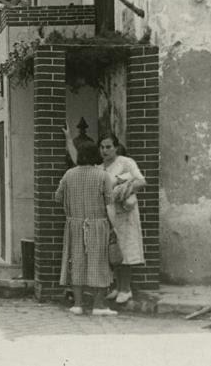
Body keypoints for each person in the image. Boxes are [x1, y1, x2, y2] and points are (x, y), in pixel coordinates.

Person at [55, 143, 118, 316]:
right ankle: (98, 305)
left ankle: (78, 304)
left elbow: (57, 196)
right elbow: (109, 204)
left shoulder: (69, 174)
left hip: (74, 225)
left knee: (77, 262)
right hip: (98, 225)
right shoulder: (103, 176)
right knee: (99, 263)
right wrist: (114, 228)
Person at [99, 133, 146, 304]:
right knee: (114, 250)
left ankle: (126, 289)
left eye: (108, 147)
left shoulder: (126, 162)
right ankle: (118, 287)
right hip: (109, 213)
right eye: (102, 147)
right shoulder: (100, 168)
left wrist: (123, 188)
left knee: (126, 249)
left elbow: (141, 181)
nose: (105, 150)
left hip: (125, 212)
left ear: (116, 147)